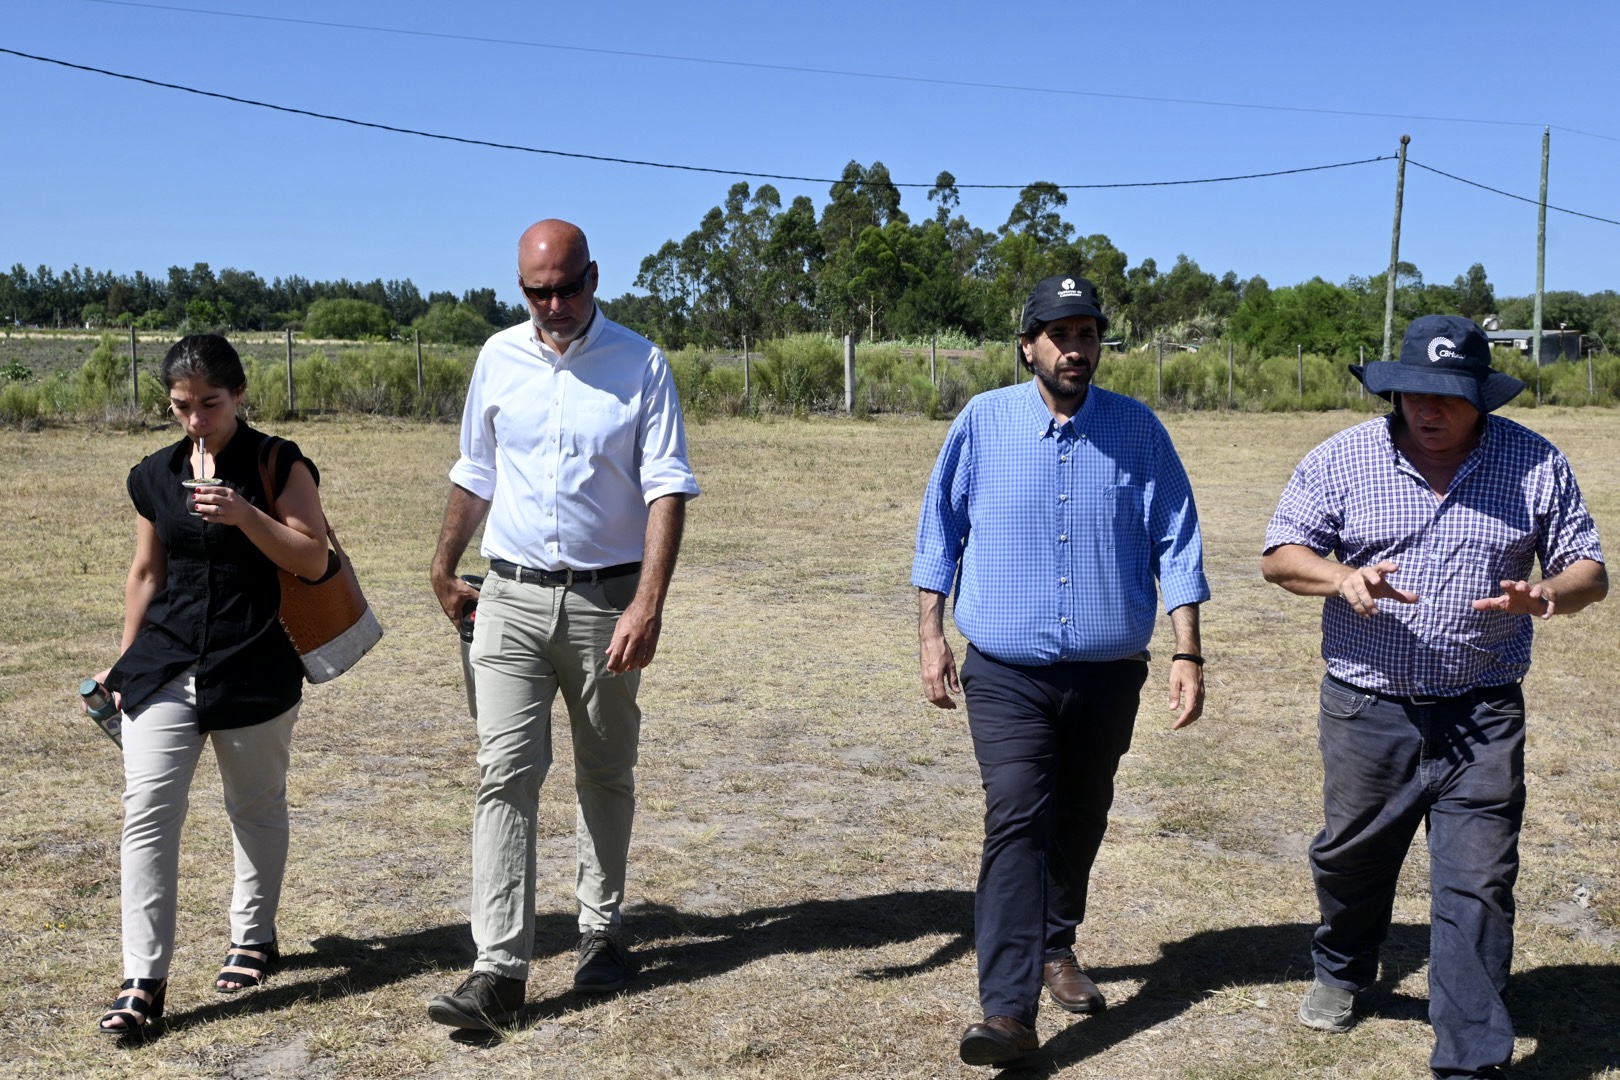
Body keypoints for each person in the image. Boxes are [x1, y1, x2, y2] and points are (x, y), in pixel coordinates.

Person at [1261, 314, 1607, 1080]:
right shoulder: (1344, 458)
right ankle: (1345, 965)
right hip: (1366, 707)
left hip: (1482, 712)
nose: (1430, 409)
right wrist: (1340, 576)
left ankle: (1470, 1061)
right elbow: (1281, 554)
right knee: (1352, 860)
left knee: (1477, 884)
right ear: (1396, 390)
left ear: (1481, 397)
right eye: (1417, 392)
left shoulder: (1532, 462)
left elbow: (1590, 568)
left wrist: (1545, 593)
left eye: (1449, 396)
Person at [912, 274, 1210, 1067]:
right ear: (1028, 345)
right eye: (1060, 334)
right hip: (1006, 671)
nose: (1076, 349)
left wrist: (1188, 649)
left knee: (1080, 813)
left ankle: (1056, 944)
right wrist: (930, 636)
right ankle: (1005, 1012)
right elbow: (938, 529)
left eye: (1088, 334)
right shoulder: (982, 423)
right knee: (1016, 815)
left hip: (1110, 673)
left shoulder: (1137, 430)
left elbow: (1176, 540)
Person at [427, 219, 699, 1031]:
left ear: (594, 277)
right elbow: (475, 472)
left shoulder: (641, 364)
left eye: (568, 287)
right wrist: (443, 564)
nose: (555, 304)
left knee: (604, 771)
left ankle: (601, 933)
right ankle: (499, 970)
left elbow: (667, 491)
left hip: (605, 602)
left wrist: (647, 605)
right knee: (503, 771)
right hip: (506, 597)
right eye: (537, 292)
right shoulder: (497, 359)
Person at [95, 334, 332, 1034]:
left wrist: (243, 513)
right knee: (147, 815)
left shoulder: (277, 462)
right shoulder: (154, 474)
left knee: (254, 805)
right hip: (166, 663)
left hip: (254, 659)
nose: (195, 420)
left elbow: (314, 558)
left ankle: (253, 935)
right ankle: (143, 980)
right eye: (181, 406)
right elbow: (146, 573)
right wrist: (123, 659)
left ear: (239, 395)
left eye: (210, 404)